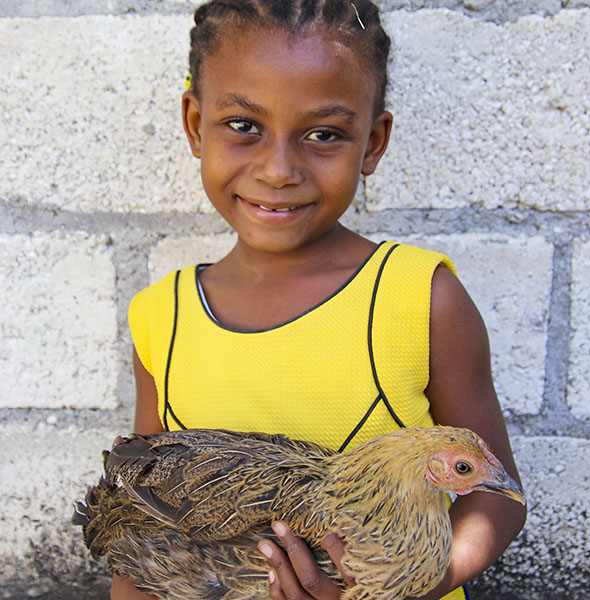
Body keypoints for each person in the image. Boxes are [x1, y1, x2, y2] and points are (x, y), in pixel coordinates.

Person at [110, 0, 527, 598]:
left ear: (373, 142)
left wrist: (395, 589)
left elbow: (497, 494)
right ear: (196, 125)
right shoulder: (162, 318)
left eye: (324, 134)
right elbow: (144, 514)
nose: (279, 169)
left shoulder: (418, 300)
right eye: (245, 126)